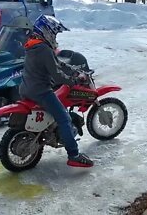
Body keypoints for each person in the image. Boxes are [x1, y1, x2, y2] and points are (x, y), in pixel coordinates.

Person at [19, 15, 94, 168]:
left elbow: (57, 63)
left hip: (26, 88)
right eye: (54, 33)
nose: (54, 36)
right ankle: (74, 155)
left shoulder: (33, 45)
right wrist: (74, 80)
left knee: (58, 108)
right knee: (64, 119)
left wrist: (73, 69)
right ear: (47, 31)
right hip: (40, 91)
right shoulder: (44, 49)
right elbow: (57, 75)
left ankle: (49, 131)